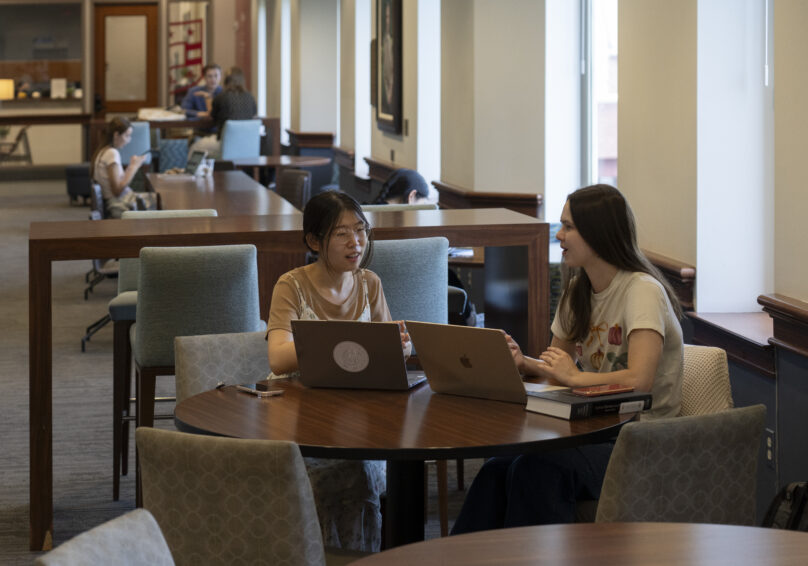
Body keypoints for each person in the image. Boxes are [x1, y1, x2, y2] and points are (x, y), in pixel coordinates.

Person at [450, 183, 685, 534]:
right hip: (596, 431)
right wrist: (524, 363)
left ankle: (534, 557)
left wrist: (574, 377)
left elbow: (640, 381)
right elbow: (556, 364)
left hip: (644, 442)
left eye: (568, 227)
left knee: (537, 470)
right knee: (496, 468)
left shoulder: (642, 291)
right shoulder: (579, 290)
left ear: (598, 233)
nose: (558, 235)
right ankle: (465, 557)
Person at [266, 190, 408, 552]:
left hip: (358, 419)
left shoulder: (369, 283)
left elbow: (386, 352)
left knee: (362, 469)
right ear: (315, 241)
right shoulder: (292, 285)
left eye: (360, 230)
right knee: (340, 474)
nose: (355, 242)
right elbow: (278, 357)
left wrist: (400, 348)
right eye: (342, 233)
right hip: (300, 419)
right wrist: (343, 341)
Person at [189, 68, 258, 159]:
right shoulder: (250, 97)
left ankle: (194, 169)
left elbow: (211, 116)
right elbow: (254, 117)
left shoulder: (221, 97)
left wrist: (208, 97)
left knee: (195, 147)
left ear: (225, 81)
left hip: (226, 144)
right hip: (248, 145)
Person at [90, 116, 145, 218]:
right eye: (127, 135)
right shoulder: (112, 153)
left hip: (116, 200)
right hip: (118, 203)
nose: (128, 140)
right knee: (157, 204)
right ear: (116, 135)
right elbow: (117, 191)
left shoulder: (102, 151)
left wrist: (131, 166)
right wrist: (134, 167)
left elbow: (119, 182)